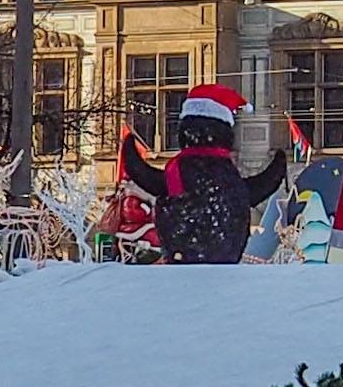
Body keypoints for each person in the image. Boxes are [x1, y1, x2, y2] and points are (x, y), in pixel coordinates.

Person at [121, 84, 286, 265]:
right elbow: (253, 189)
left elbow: (149, 178)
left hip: (182, 258)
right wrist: (276, 168)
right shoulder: (226, 173)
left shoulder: (178, 170)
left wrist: (131, 155)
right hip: (225, 258)